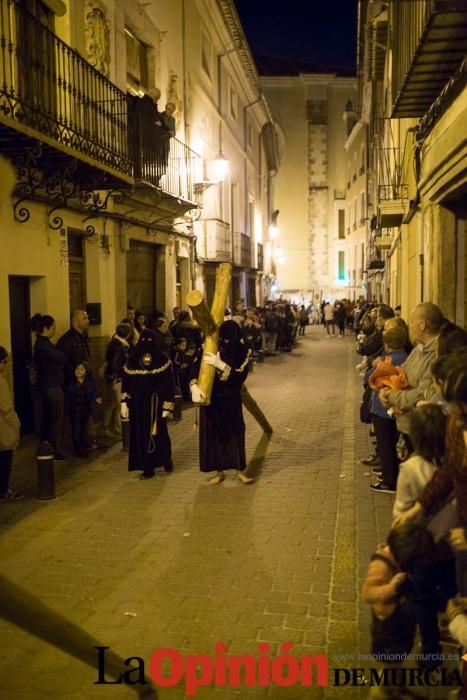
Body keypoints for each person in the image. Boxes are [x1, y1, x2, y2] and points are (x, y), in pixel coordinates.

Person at [190, 320, 253, 485]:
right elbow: (194, 368)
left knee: (235, 433)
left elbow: (240, 375)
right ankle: (219, 471)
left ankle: (240, 470)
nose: (225, 342)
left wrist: (222, 365)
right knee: (214, 435)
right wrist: (194, 385)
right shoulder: (210, 347)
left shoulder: (242, 351)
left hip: (230, 399)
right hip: (212, 399)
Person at [379, 302, 445, 452]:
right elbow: (400, 372)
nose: (409, 326)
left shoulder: (437, 355)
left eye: (412, 321)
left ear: (422, 326)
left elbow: (421, 394)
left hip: (422, 430)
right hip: (407, 425)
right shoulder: (418, 349)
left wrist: (389, 396)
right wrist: (386, 387)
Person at [122, 329, 175, 479]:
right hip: (138, 404)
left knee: (159, 433)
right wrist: (124, 402)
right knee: (141, 435)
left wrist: (167, 405)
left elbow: (168, 384)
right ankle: (147, 466)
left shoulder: (161, 359)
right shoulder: (133, 359)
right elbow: (126, 383)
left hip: (155, 403)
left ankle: (165, 459)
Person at [366, 325, 408, 493]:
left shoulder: (389, 359)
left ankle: (388, 479)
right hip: (393, 407)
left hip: (384, 408)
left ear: (388, 343)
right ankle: (390, 474)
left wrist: (377, 365)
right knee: (390, 442)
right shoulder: (405, 356)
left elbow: (370, 379)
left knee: (385, 444)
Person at [31, 314, 67, 460]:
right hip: (51, 386)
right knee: (55, 419)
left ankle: (48, 446)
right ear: (45, 328)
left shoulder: (41, 343)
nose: (55, 331)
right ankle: (53, 449)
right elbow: (61, 357)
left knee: (50, 419)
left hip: (48, 385)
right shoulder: (43, 344)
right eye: (53, 328)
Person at [101, 323, 132, 441]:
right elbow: (116, 364)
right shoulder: (119, 346)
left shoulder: (115, 343)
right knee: (119, 404)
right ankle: (119, 430)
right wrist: (120, 373)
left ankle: (106, 427)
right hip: (117, 378)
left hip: (111, 377)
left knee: (111, 404)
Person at [0, 347, 23, 501]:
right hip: (2, 427)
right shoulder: (0, 382)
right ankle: (3, 491)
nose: (5, 365)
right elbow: (6, 407)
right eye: (3, 362)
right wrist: (16, 423)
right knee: (4, 459)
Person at [67, 362, 102, 457]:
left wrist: (97, 398)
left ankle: (83, 446)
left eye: (82, 369)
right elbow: (69, 397)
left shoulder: (89, 382)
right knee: (76, 430)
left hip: (85, 410)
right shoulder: (71, 383)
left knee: (83, 429)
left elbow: (93, 392)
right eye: (77, 369)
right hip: (74, 411)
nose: (79, 371)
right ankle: (78, 448)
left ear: (86, 372)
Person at [56, 309, 91, 387]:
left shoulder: (83, 337)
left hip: (84, 380)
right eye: (84, 319)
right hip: (72, 382)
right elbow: (62, 363)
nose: (88, 321)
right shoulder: (67, 340)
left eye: (87, 318)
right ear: (75, 321)